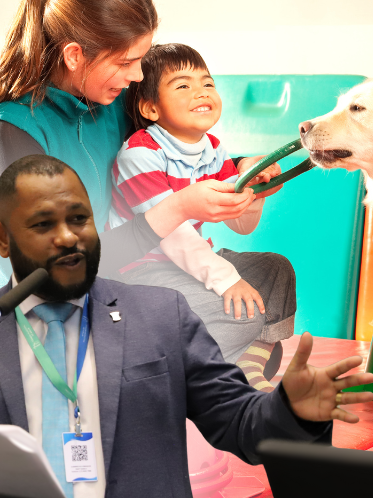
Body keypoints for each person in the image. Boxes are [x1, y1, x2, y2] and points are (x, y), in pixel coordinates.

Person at [0, 155, 373, 498]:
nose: (68, 238)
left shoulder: (161, 315)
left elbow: (239, 423)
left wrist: (290, 409)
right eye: (42, 225)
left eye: (80, 219)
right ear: (1, 237)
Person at [0, 0, 268, 297]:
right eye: (126, 63)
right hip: (52, 302)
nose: (139, 76)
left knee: (269, 277)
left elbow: (169, 154)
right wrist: (179, 208)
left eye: (141, 59)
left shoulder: (113, 100)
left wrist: (242, 169)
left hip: (119, 280)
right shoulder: (7, 134)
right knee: (225, 307)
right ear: (74, 55)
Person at [108, 43, 292, 391]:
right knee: (242, 309)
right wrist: (227, 280)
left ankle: (249, 362)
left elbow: (240, 224)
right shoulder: (139, 155)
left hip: (190, 265)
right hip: (142, 273)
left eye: (207, 83)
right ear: (150, 108)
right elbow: (173, 235)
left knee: (275, 269)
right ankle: (185, 372)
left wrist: (254, 192)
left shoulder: (213, 148)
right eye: (183, 85)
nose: (201, 92)